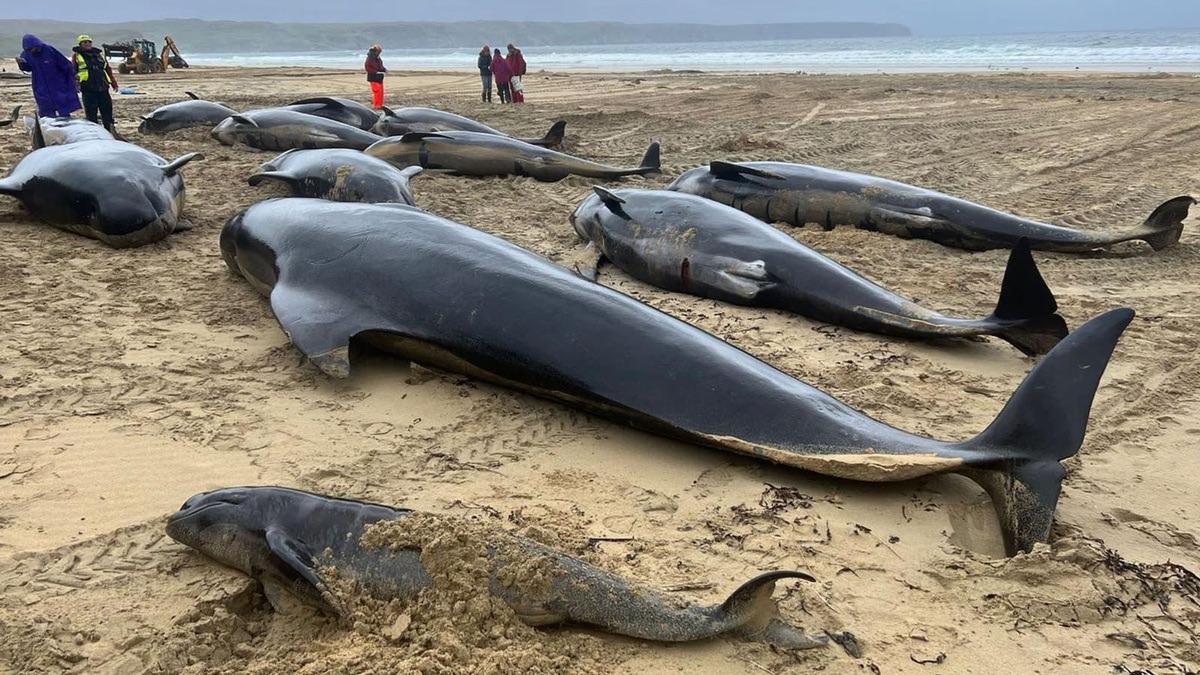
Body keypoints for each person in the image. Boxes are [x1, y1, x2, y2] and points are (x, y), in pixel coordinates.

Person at [16, 34, 82, 118]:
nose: (32, 51)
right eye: (30, 49)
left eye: (33, 48)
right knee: (45, 107)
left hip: (57, 82)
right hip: (40, 84)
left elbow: (65, 64)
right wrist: (21, 64)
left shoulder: (49, 50)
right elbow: (28, 68)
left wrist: (73, 74)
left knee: (62, 105)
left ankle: (66, 120)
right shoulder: (26, 54)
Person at [71, 35, 118, 132]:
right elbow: (73, 71)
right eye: (85, 42)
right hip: (88, 88)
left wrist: (114, 83)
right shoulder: (77, 56)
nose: (87, 44)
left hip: (103, 87)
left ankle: (110, 130)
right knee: (91, 113)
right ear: (80, 44)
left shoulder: (100, 55)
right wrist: (75, 85)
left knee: (107, 111)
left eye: (89, 42)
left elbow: (108, 69)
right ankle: (95, 132)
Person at [365, 44, 387, 109]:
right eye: (379, 52)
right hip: (373, 77)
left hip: (379, 77)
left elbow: (380, 66)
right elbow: (367, 68)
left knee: (381, 92)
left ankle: (380, 105)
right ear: (376, 51)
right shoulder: (370, 58)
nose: (379, 53)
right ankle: (376, 105)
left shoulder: (377, 58)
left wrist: (384, 69)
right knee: (377, 91)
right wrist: (376, 72)